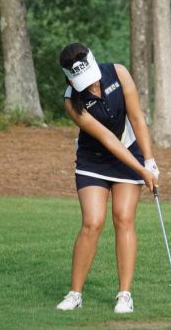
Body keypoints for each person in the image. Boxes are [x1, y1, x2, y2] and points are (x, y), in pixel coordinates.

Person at [56, 43, 159, 313]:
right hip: (94, 160)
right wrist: (141, 170)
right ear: (69, 78)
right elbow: (108, 140)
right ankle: (75, 294)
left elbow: (136, 117)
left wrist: (149, 160)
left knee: (123, 218)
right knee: (92, 222)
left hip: (130, 155)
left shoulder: (118, 73)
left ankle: (124, 294)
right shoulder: (71, 101)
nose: (90, 85)